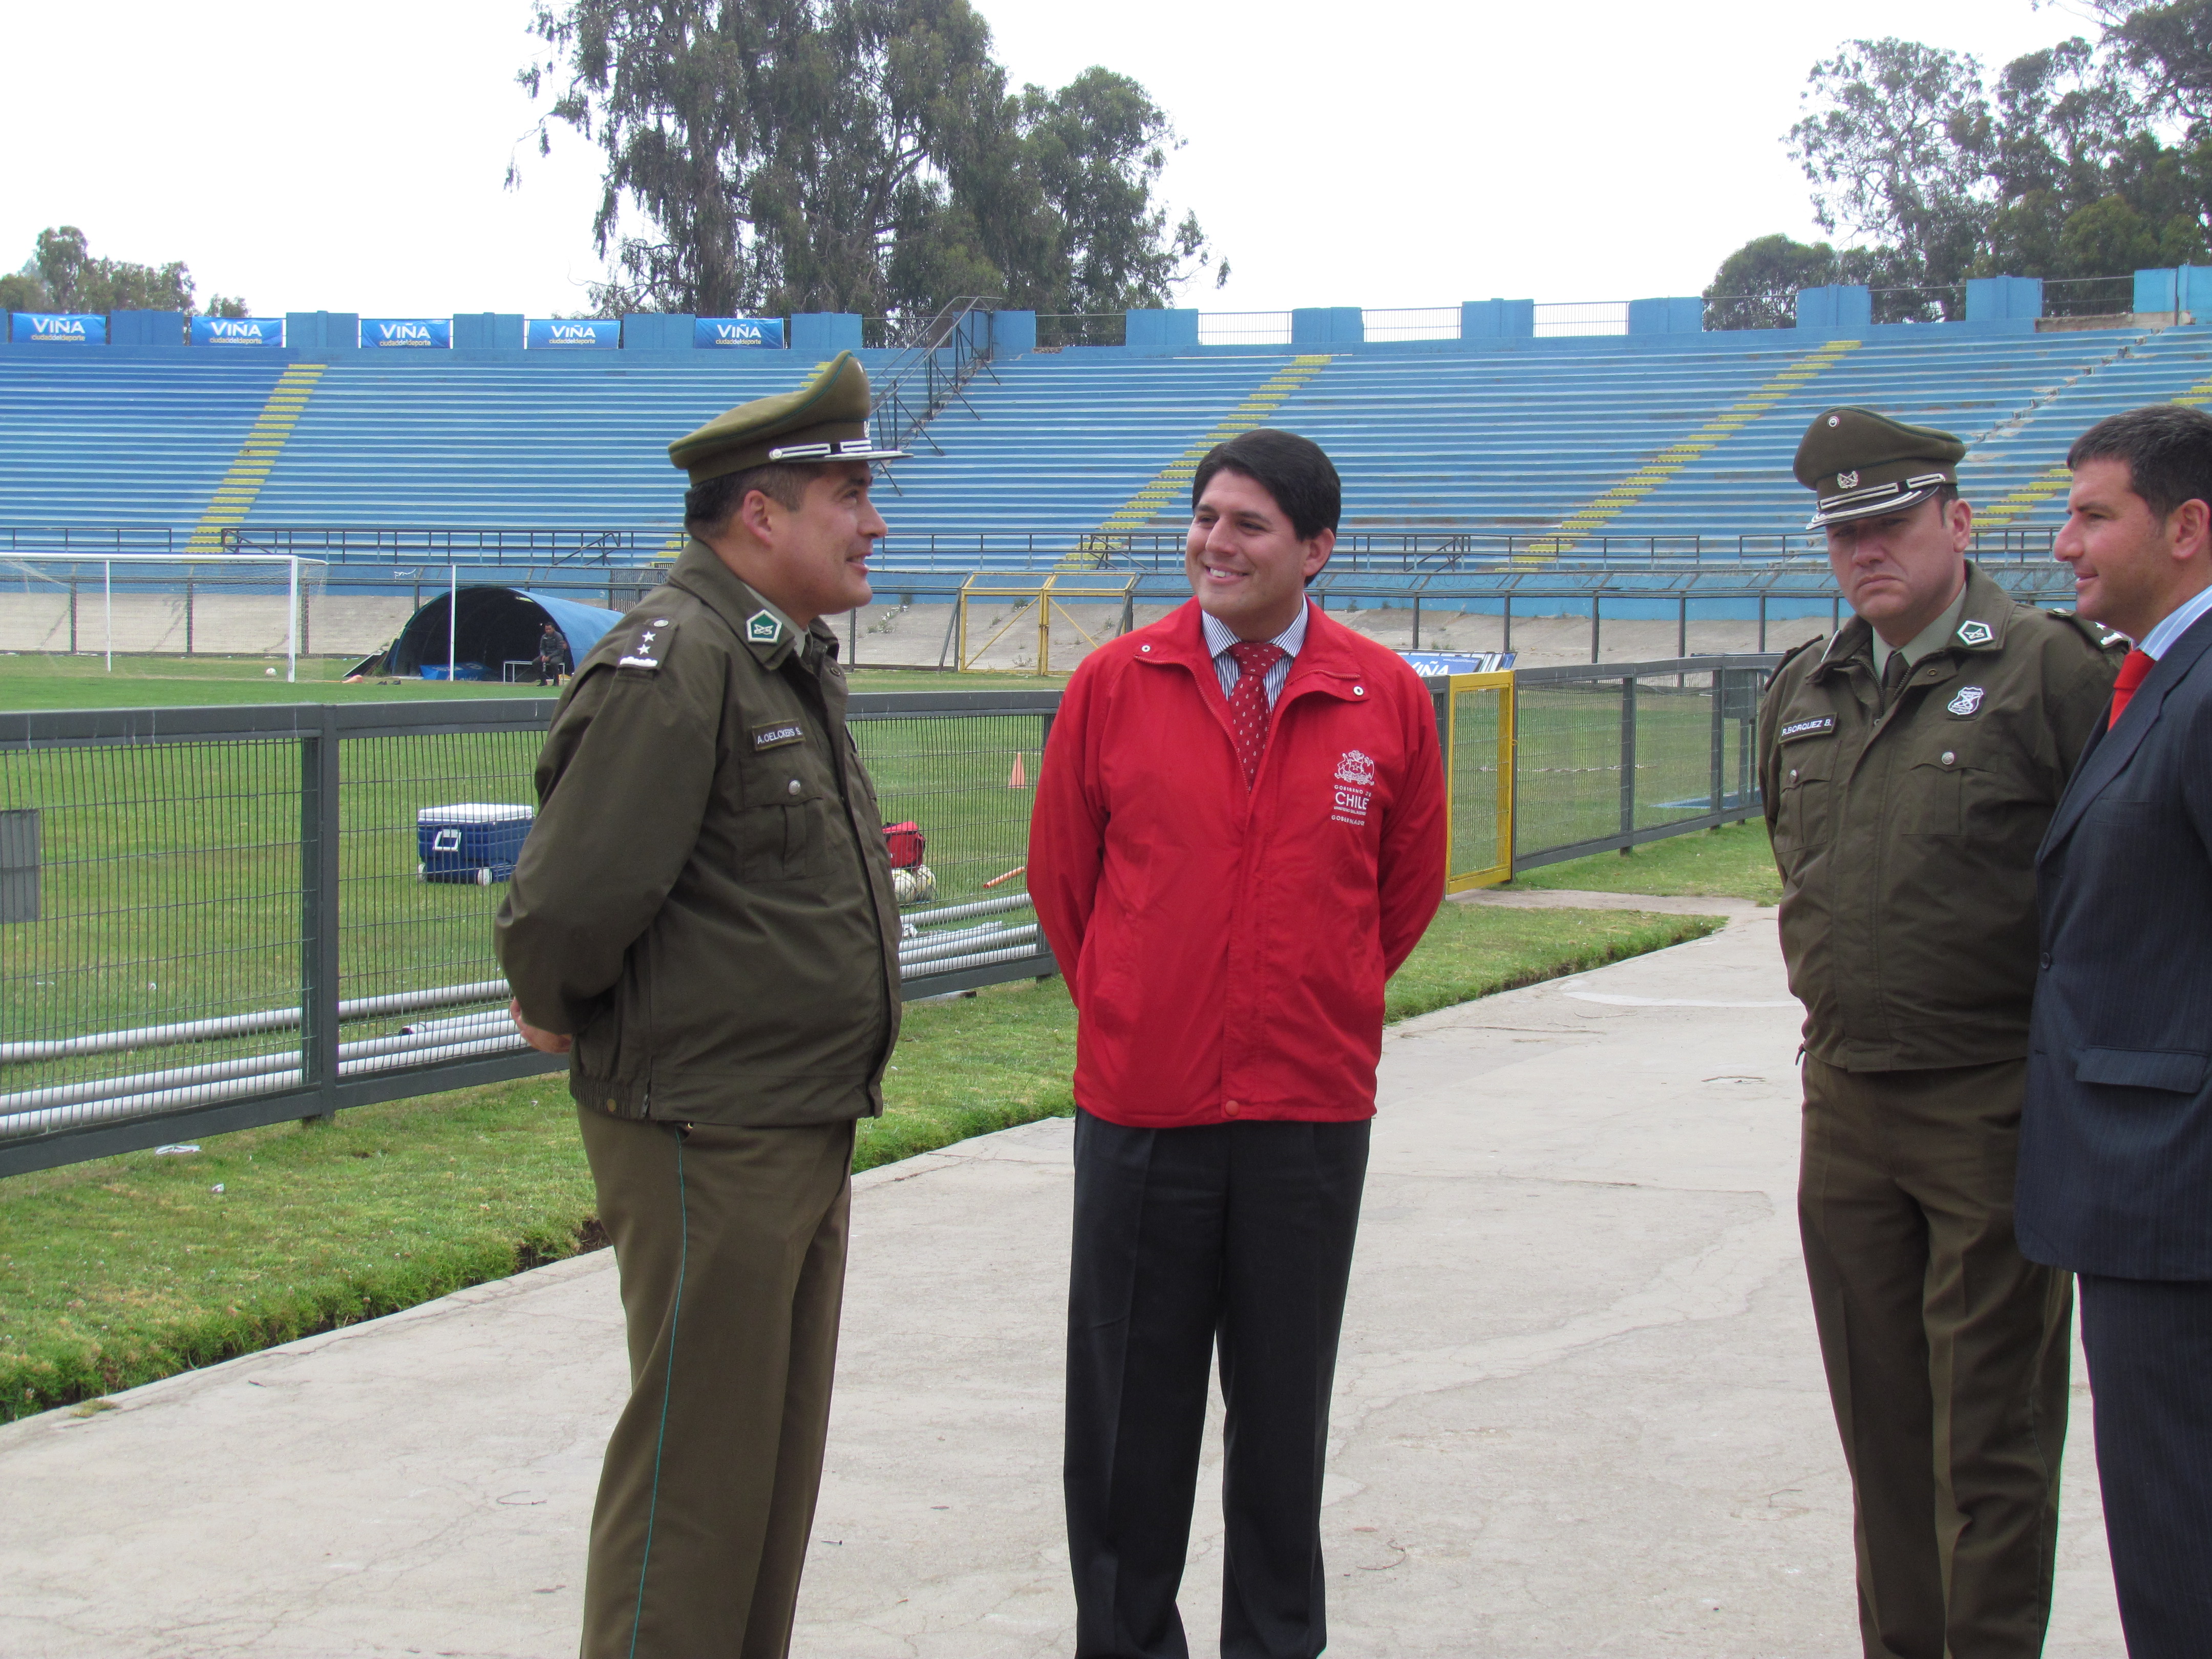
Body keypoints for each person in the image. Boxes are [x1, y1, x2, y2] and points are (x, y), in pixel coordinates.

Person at [494, 351, 907, 1659]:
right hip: (702, 1130)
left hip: (790, 1120)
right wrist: (554, 1004)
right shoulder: (676, 664)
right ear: (761, 513)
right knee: (693, 1484)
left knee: (768, 1484)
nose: (874, 519)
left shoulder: (775, 656)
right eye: (848, 490)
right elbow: (566, 905)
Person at [1027, 427, 1447, 1659]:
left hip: (1307, 1115)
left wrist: (1308, 997)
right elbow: (1068, 881)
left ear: (1315, 549)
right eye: (1205, 516)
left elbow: (1401, 893)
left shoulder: (1386, 697)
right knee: (1124, 1427)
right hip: (1141, 1108)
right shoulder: (1116, 681)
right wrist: (1135, 1001)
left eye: (1249, 523)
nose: (1216, 541)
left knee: (1281, 1420)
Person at [1757, 406, 2122, 1659]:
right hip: (1847, 1100)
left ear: (1957, 520)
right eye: (1842, 529)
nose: (1865, 548)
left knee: (1989, 1440)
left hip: (1991, 1100)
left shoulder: (2052, 670)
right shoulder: (1807, 687)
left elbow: (2117, 880)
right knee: (1885, 1434)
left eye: (1890, 521)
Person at [2016, 403, 2212, 1658]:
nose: (2064, 542)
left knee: (2180, 1530)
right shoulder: (2152, 678)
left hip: (2179, 1193)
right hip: (2152, 1183)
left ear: (2188, 527)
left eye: (2094, 514)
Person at [534, 620, 571, 686]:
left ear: (553, 629)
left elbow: (560, 649)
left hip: (558, 655)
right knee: (535, 662)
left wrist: (550, 657)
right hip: (547, 654)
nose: (548, 631)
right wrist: (543, 655)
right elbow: (542, 648)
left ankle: (556, 682)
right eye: (546, 629)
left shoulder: (558, 636)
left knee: (553, 663)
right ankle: (543, 681)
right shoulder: (544, 637)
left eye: (550, 629)